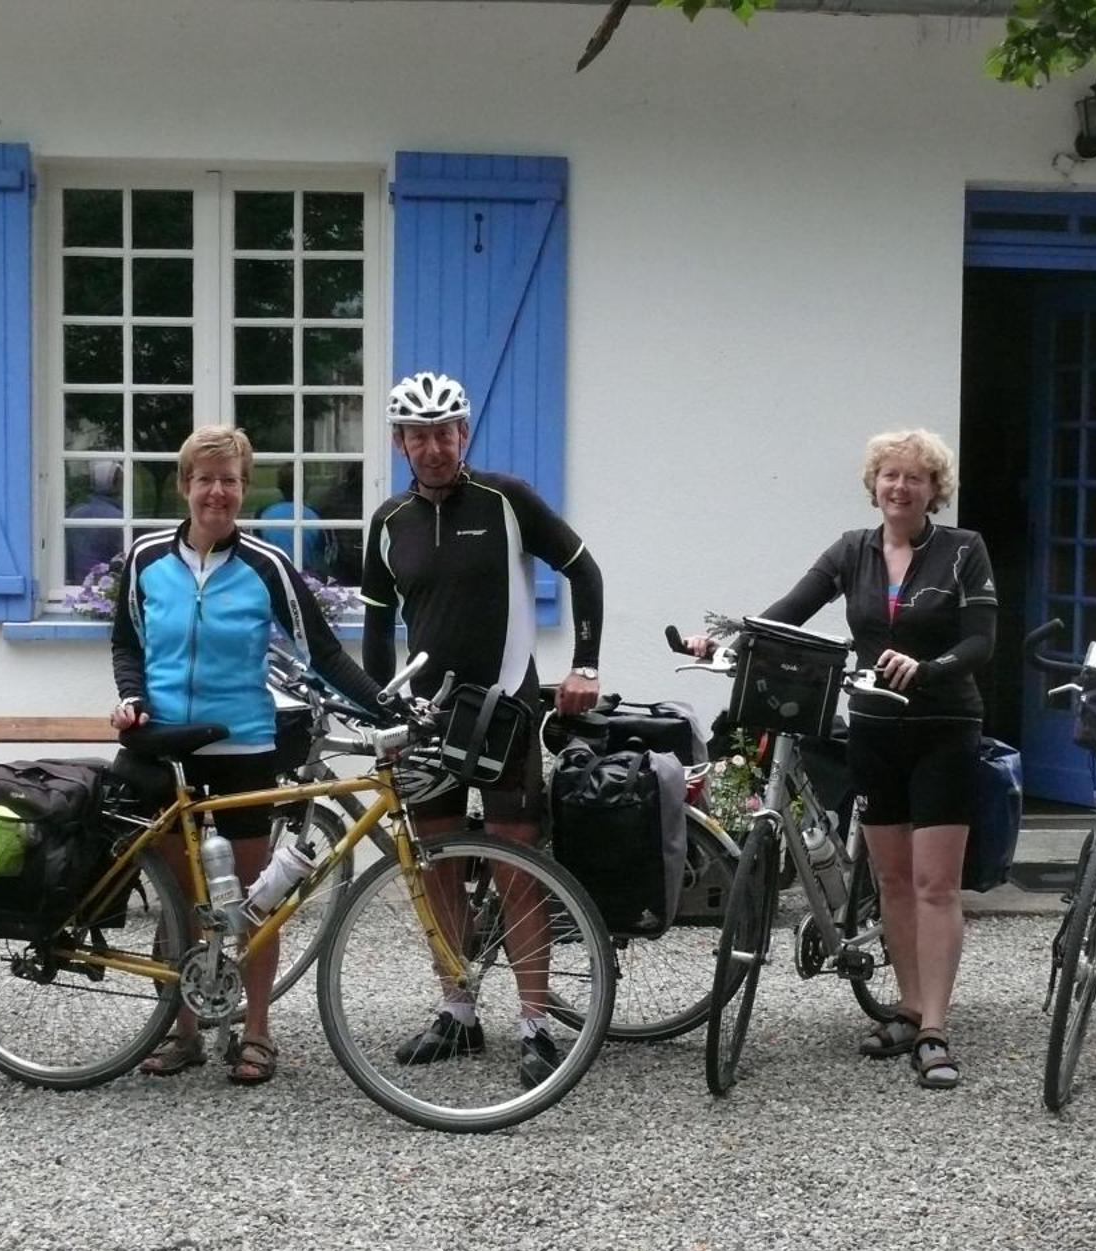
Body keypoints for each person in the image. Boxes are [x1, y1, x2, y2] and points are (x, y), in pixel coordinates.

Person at [683, 428, 996, 1090]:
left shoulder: (963, 551)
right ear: (873, 484)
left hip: (944, 726)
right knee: (892, 884)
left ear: (934, 489)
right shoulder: (852, 552)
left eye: (914, 477)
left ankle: (936, 1027)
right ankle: (908, 1010)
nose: (900, 487)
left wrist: (928, 666)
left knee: (936, 883)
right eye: (889, 475)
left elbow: (980, 642)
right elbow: (789, 611)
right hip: (875, 728)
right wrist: (720, 641)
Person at [110, 424, 385, 1085]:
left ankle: (256, 1032)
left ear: (242, 489)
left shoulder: (268, 568)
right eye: (205, 479)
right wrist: (130, 697)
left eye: (229, 480)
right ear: (184, 486)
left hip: (245, 745)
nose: (217, 492)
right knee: (179, 895)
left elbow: (323, 654)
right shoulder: (146, 559)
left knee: (255, 902)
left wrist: (384, 705)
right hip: (169, 747)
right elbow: (127, 645)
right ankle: (180, 1033)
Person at [361, 372, 605, 1087]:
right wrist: (384, 705)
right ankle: (458, 1011)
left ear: (463, 434)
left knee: (515, 862)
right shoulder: (388, 522)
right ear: (400, 442)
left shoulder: (507, 501)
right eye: (418, 435)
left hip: (506, 709)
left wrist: (584, 664)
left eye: (445, 432)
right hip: (430, 718)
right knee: (433, 862)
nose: (433, 447)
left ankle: (533, 1022)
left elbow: (584, 571)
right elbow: (378, 632)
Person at [63, 459, 125, 584]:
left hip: (77, 584)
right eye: (121, 482)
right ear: (114, 484)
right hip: (105, 584)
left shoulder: (75, 513)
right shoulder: (117, 518)